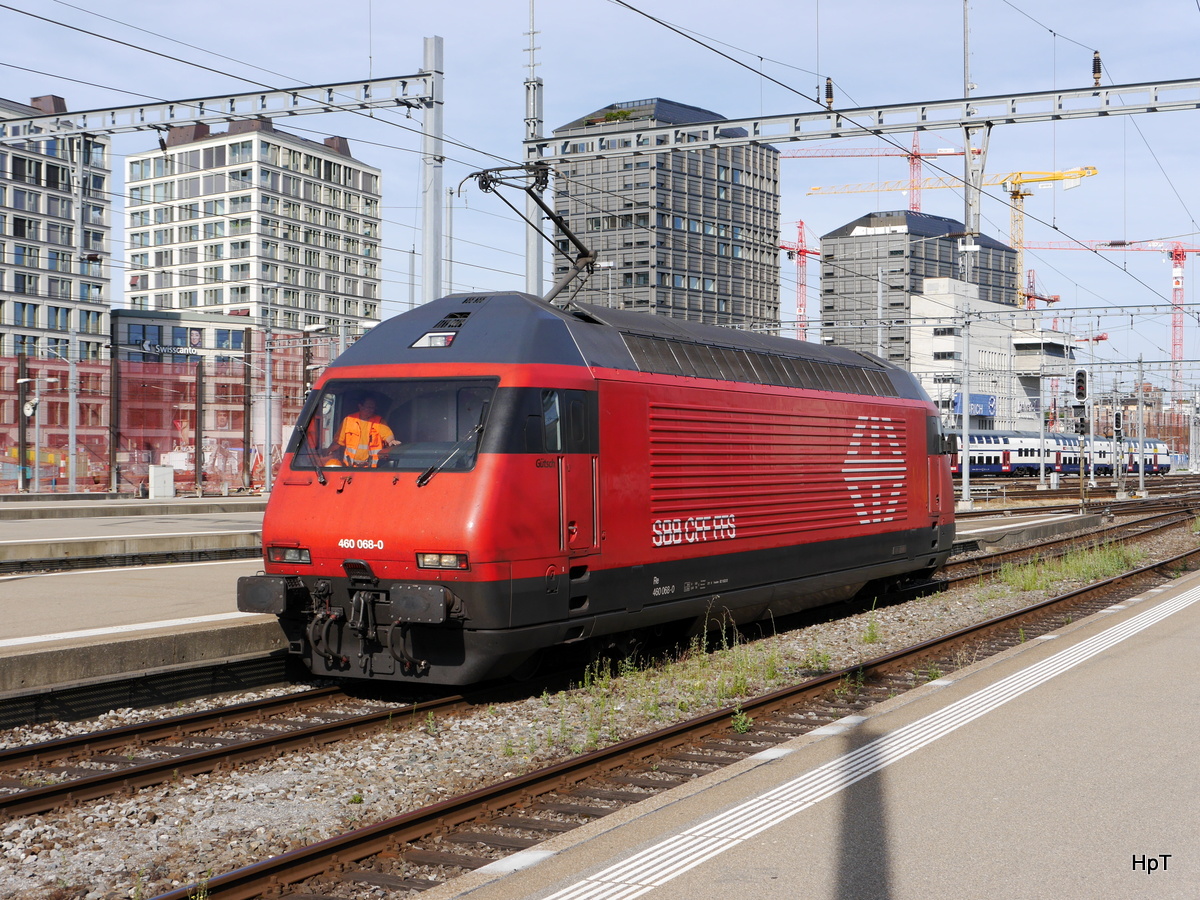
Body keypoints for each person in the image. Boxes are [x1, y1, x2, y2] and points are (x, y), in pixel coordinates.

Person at [334, 395, 399, 467]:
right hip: (350, 467)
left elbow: (387, 435)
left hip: (371, 469)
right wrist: (329, 452)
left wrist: (392, 441)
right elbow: (338, 442)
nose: (371, 410)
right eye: (369, 407)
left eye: (373, 408)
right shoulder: (349, 420)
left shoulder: (379, 421)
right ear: (360, 406)